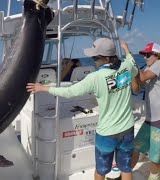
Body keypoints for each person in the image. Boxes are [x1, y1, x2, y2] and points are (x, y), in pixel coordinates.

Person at [26, 38, 138, 180]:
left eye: (95, 57)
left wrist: (43, 88)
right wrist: (126, 48)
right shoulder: (127, 67)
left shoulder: (95, 78)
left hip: (107, 133)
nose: (93, 60)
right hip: (127, 129)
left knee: (101, 170)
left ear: (106, 58)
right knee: (126, 168)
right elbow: (131, 60)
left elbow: (69, 92)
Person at [131, 43, 160, 180]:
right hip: (150, 118)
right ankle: (126, 173)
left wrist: (130, 58)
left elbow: (141, 78)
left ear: (157, 55)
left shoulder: (159, 64)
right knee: (136, 146)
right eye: (144, 55)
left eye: (148, 55)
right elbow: (137, 88)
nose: (145, 57)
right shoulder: (148, 68)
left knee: (155, 157)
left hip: (158, 119)